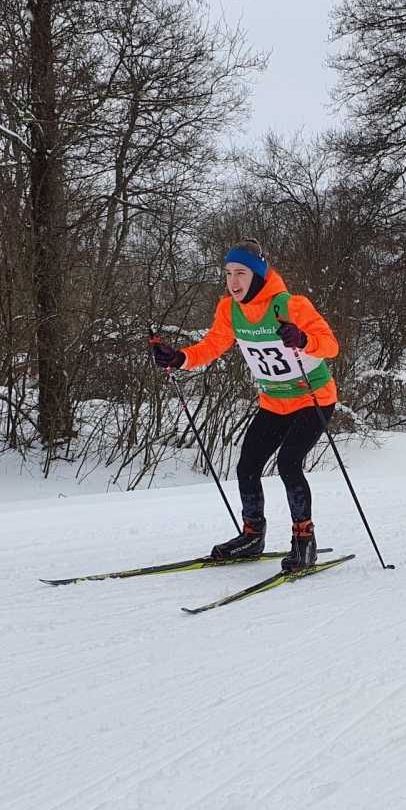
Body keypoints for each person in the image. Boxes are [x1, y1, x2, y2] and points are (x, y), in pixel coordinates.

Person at [151, 239, 338, 572]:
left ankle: (304, 542)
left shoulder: (291, 305)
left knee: (288, 464)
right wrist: (180, 358)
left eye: (241, 273)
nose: (233, 281)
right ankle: (252, 536)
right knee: (246, 467)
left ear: (258, 275)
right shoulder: (229, 310)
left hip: (313, 399)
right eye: (228, 274)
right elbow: (212, 346)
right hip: (274, 402)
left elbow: (331, 346)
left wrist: (304, 340)